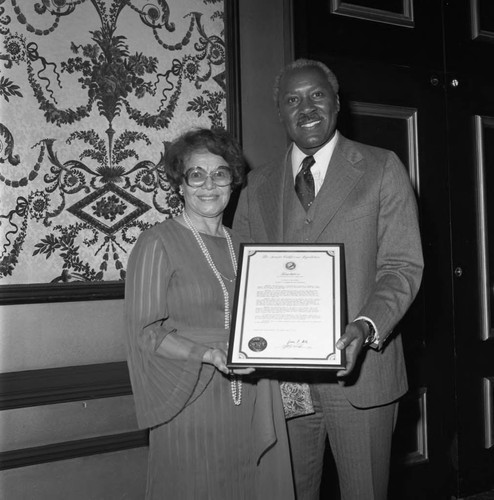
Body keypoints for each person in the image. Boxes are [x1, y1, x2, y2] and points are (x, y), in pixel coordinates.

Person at [233, 59, 424, 500]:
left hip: (361, 377)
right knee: (292, 493)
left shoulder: (381, 167)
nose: (306, 107)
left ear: (338, 103)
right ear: (280, 113)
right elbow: (242, 275)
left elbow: (402, 266)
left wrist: (366, 326)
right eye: (292, 100)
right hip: (284, 381)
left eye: (317, 95)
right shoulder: (255, 186)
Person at [124, 128, 294, 500]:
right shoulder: (157, 242)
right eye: (195, 174)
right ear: (179, 185)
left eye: (220, 173)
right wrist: (207, 354)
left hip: (248, 395)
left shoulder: (244, 245)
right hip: (190, 398)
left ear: (233, 182)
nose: (208, 185)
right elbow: (146, 334)